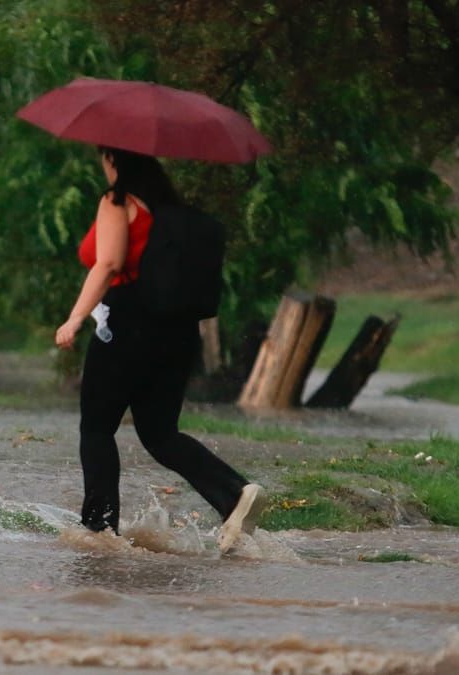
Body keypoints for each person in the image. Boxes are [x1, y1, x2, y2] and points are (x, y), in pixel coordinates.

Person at [54, 146, 265, 553]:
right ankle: (234, 493)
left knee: (97, 428)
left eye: (104, 158)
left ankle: (99, 531)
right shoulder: (172, 211)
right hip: (179, 331)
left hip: (126, 323)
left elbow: (109, 264)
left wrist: (75, 318)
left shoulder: (117, 201)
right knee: (160, 433)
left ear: (114, 161)